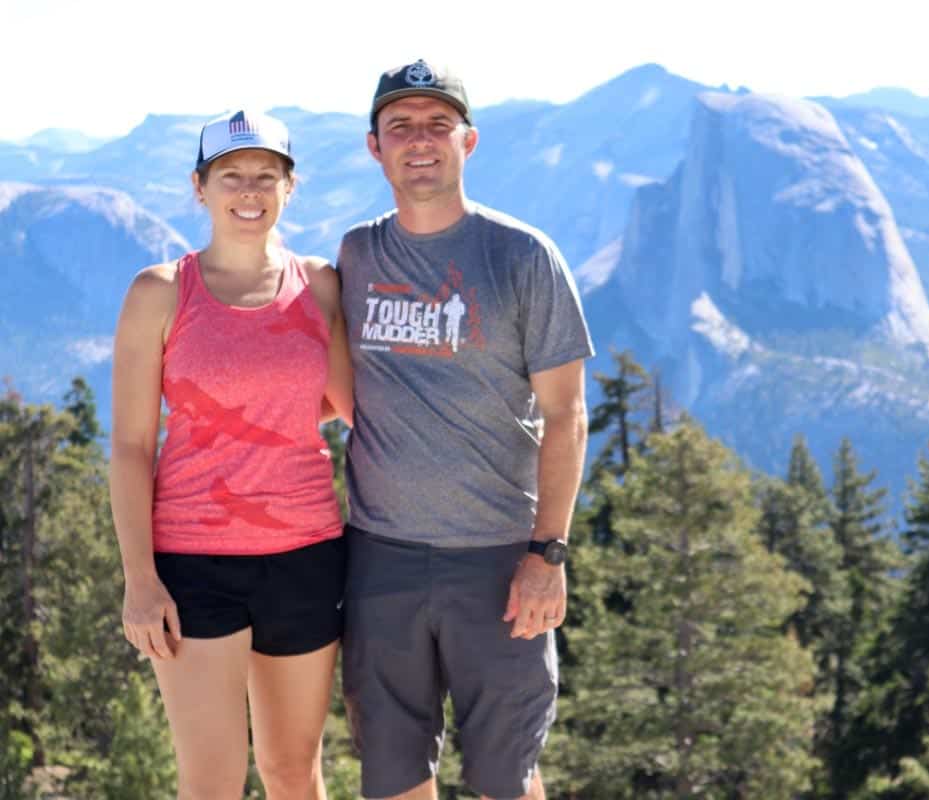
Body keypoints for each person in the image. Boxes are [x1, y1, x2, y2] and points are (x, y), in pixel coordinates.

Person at [338, 60, 593, 800]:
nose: (420, 141)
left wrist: (548, 552)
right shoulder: (357, 255)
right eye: (401, 127)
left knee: (505, 776)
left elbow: (567, 415)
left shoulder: (522, 256)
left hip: (498, 560)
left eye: (437, 124)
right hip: (380, 558)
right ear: (374, 147)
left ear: (468, 141)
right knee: (391, 773)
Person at [109, 109, 353, 799]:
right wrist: (140, 580)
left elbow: (342, 402)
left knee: (292, 774)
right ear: (200, 188)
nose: (250, 191)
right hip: (191, 565)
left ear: (288, 187)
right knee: (212, 782)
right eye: (231, 176)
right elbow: (130, 447)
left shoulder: (320, 285)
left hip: (306, 555)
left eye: (266, 176)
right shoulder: (159, 293)